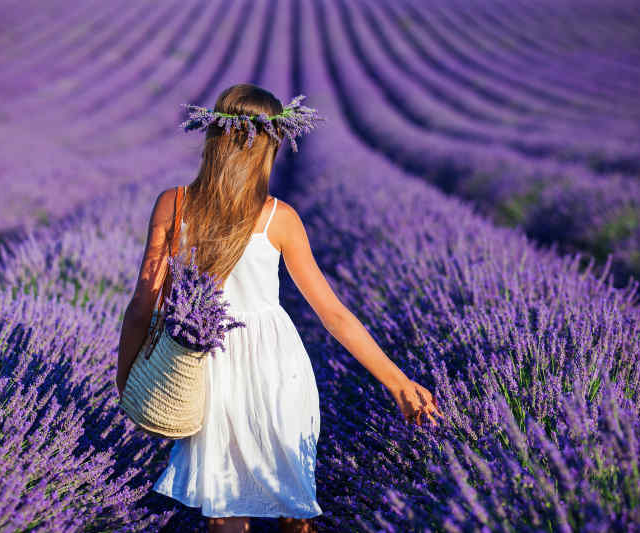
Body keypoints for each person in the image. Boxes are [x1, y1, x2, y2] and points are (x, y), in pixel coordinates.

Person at [115, 84, 443, 533]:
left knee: (225, 509)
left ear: (214, 135)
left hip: (211, 370)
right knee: (295, 509)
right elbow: (333, 314)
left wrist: (128, 378)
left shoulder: (173, 205)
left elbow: (142, 304)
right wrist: (397, 381)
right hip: (279, 368)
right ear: (270, 145)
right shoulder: (279, 218)